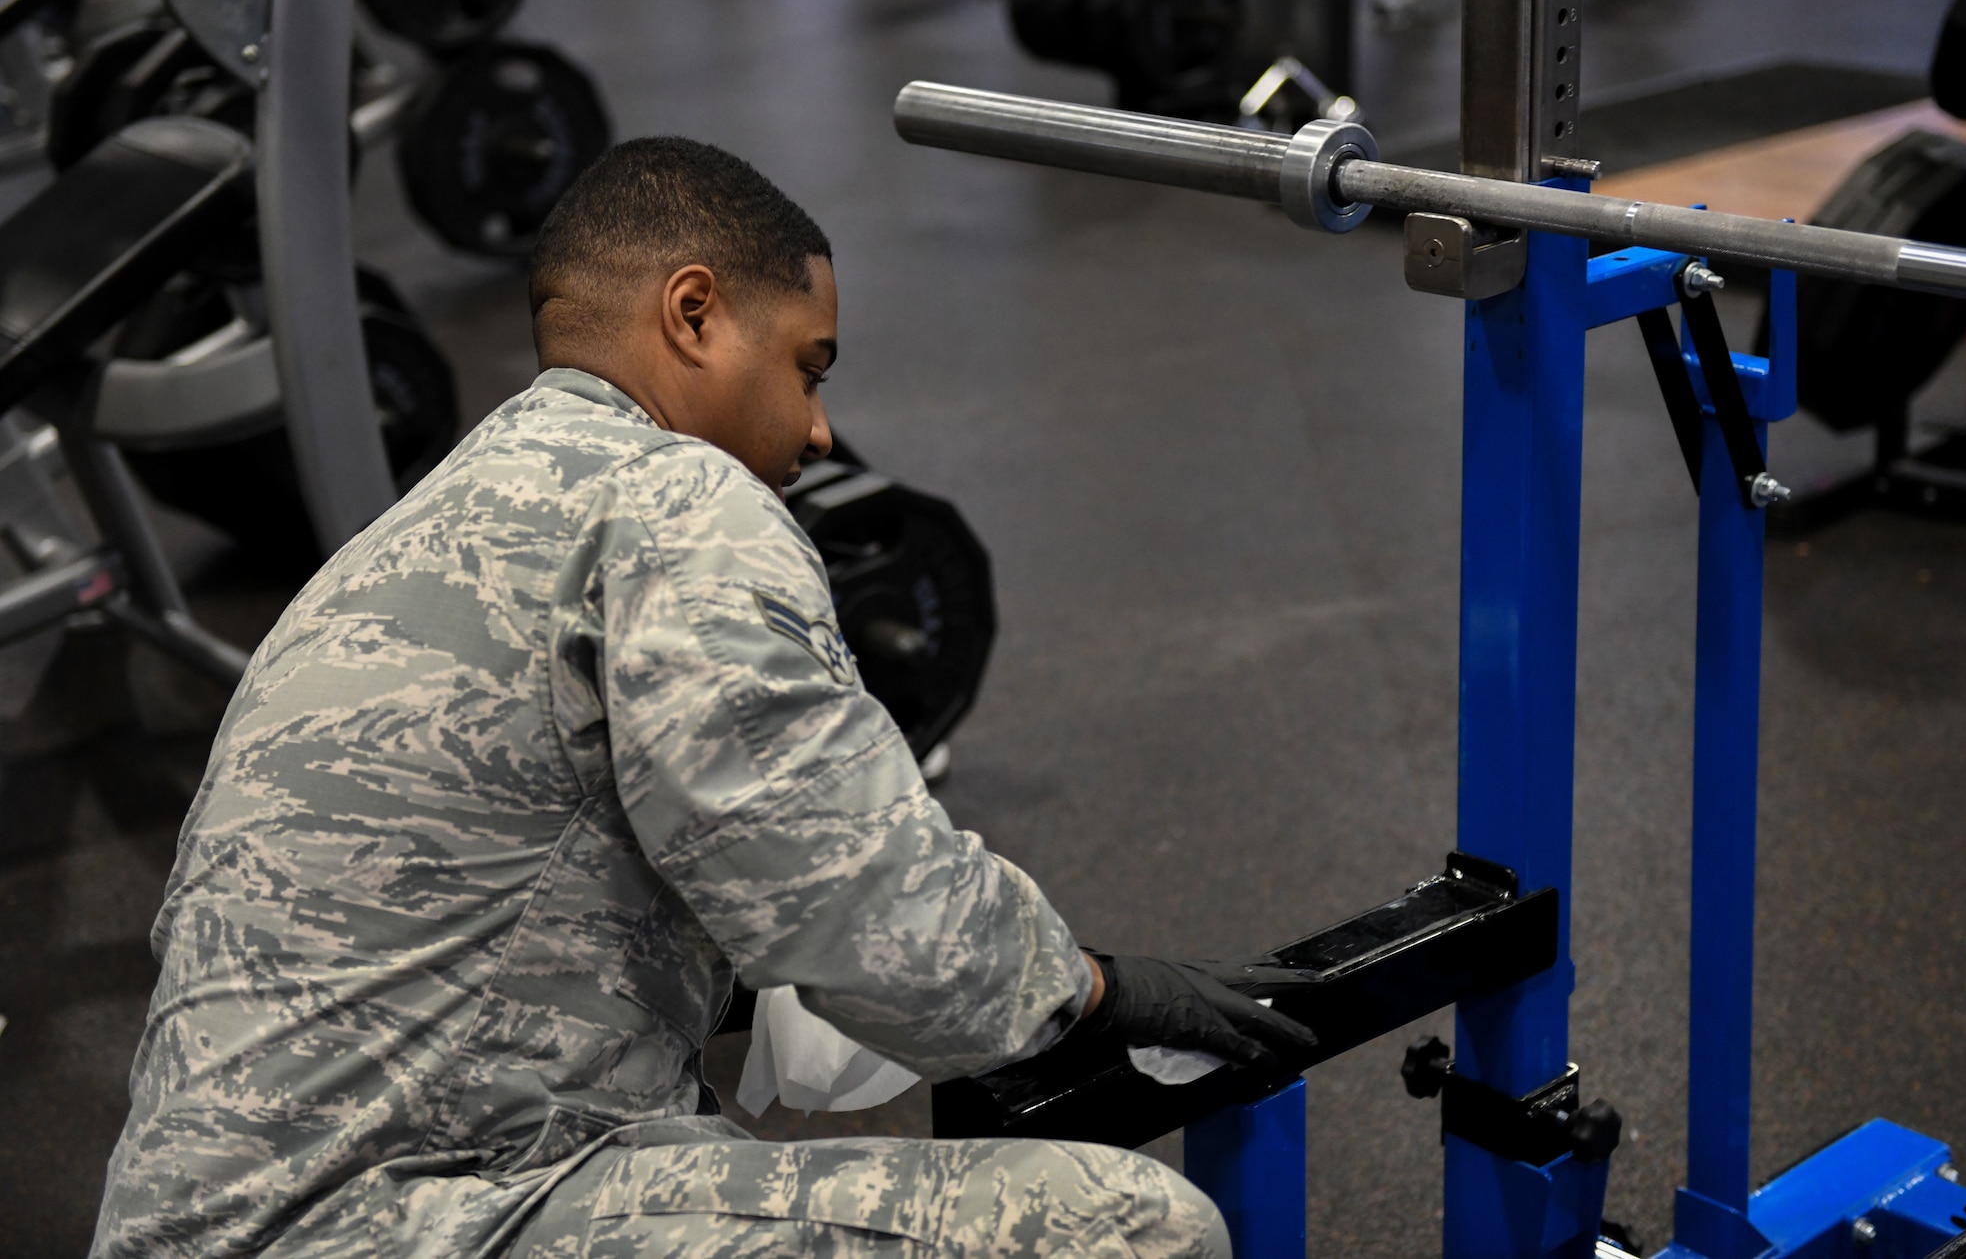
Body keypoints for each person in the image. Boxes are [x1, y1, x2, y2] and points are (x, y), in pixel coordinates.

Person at [91, 138, 1315, 1259]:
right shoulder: (679, 500)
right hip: (410, 1216)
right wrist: (1094, 992)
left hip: (200, 1214)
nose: (822, 432)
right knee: (1129, 1232)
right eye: (807, 367)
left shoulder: (406, 537)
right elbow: (871, 916)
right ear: (692, 313)